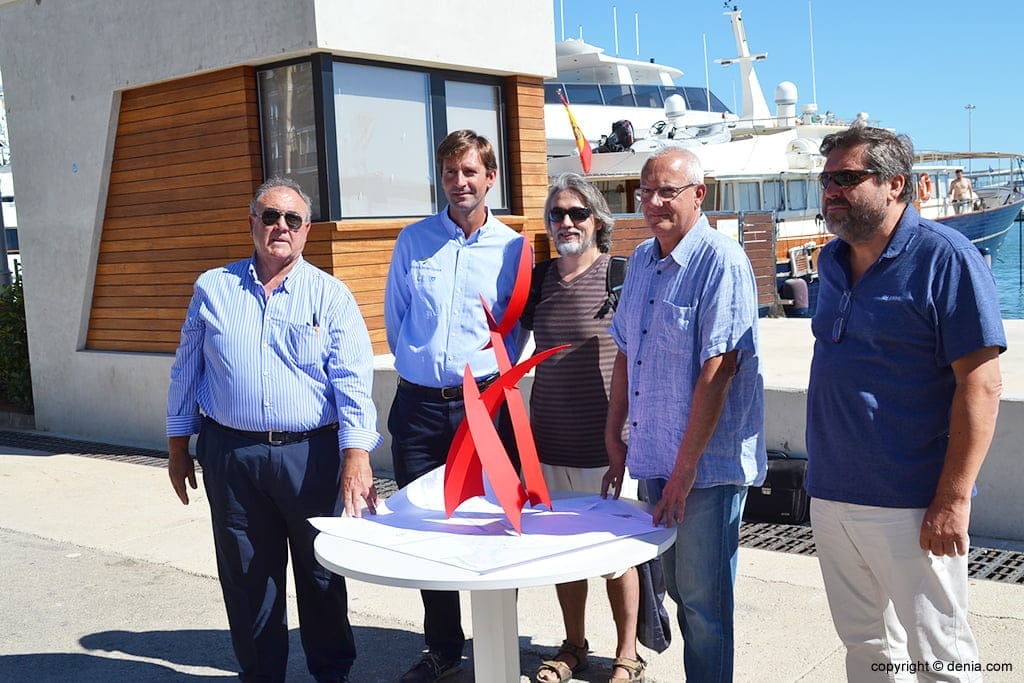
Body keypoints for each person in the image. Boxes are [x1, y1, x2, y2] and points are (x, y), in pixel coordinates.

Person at [807, 125, 1004, 681]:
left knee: (941, 657)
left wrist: (953, 500)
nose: (831, 190)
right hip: (832, 493)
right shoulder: (830, 260)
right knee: (866, 646)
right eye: (825, 179)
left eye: (847, 178)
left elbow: (982, 385)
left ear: (895, 185)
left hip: (914, 503)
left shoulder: (947, 259)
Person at [166, 177, 381, 682]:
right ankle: (262, 675)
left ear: (305, 231)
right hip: (231, 456)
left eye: (292, 219)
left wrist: (357, 454)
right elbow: (186, 369)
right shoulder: (212, 288)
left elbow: (353, 378)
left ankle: (332, 673)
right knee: (246, 578)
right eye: (270, 216)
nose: (280, 227)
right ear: (252, 224)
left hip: (312, 456)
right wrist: (179, 446)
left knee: (322, 574)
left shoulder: (331, 295)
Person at [603, 147, 766, 682]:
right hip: (654, 460)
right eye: (644, 191)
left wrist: (684, 472)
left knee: (705, 608)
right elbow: (628, 351)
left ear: (699, 195)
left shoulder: (722, 261)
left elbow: (718, 369)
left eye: (666, 191)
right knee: (677, 592)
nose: (652, 202)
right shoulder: (644, 260)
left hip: (704, 471)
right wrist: (614, 436)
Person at [384, 129, 527, 682]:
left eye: (470, 172)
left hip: (485, 410)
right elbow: (399, 323)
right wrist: (426, 368)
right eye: (450, 173)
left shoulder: (513, 248)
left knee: (496, 526)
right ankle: (443, 647)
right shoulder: (413, 241)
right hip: (418, 409)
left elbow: (519, 327)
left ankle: (498, 644)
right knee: (427, 529)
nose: (460, 182)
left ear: (490, 178)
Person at [526, 173, 644, 683]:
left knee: (616, 555)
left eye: (578, 213)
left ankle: (627, 655)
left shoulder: (621, 275)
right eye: (558, 214)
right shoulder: (538, 279)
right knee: (565, 554)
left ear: (598, 220)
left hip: (607, 445)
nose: (567, 222)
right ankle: (574, 645)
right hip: (549, 440)